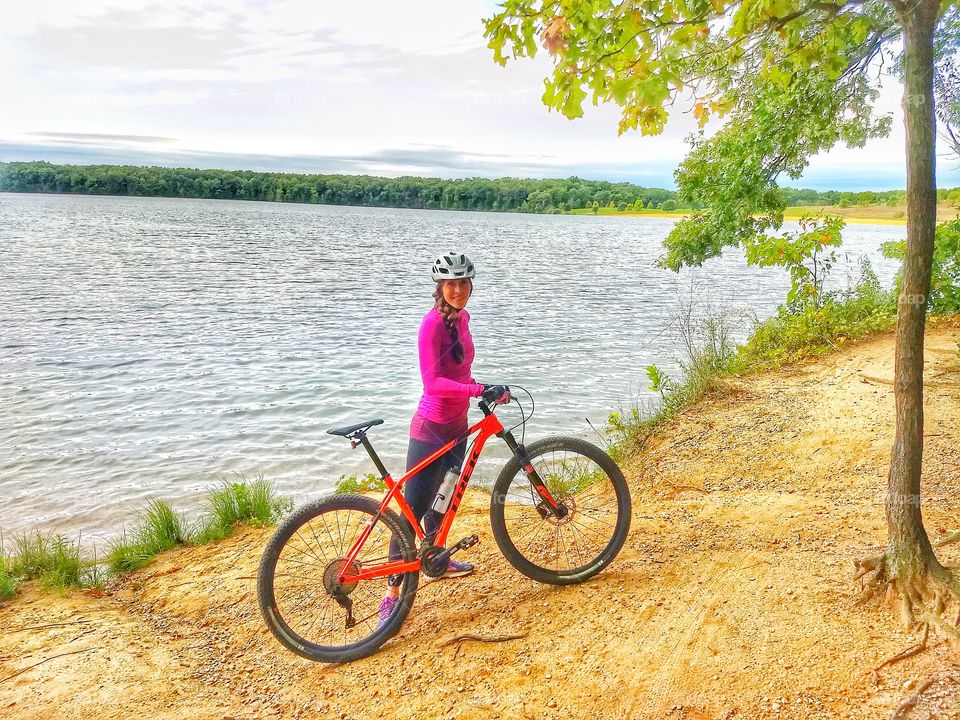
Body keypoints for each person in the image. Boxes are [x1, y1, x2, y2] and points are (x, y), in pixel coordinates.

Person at [377, 251, 510, 628]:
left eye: (463, 283)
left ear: (470, 286)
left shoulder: (464, 319)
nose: (458, 290)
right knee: (411, 513)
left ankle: (437, 558)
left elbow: (459, 371)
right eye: (450, 283)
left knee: (445, 498)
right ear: (440, 287)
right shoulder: (431, 325)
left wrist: (484, 389)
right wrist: (479, 388)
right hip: (431, 429)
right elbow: (432, 383)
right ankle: (391, 595)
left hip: (457, 425)